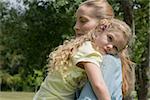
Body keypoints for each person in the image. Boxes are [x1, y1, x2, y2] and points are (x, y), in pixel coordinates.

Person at [33, 18, 132, 100]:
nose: (110, 46)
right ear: (100, 30)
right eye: (110, 38)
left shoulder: (83, 46)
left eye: (115, 48)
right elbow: (98, 84)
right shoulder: (89, 52)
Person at [73, 0, 135, 99]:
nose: (75, 27)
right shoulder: (91, 56)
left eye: (83, 20)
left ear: (101, 26)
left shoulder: (107, 61)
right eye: (76, 21)